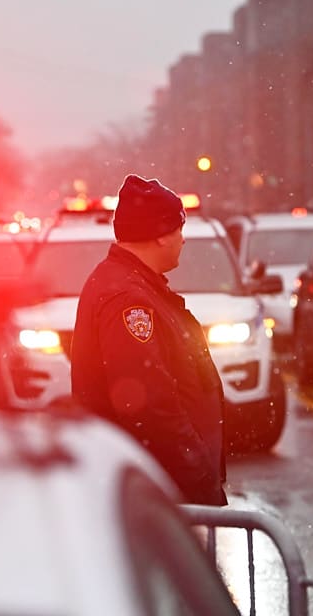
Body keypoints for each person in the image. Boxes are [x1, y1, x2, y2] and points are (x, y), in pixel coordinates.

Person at [70, 174, 227, 506]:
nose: (183, 240)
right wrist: (197, 477)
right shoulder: (128, 298)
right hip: (158, 487)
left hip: (154, 481)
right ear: (159, 235)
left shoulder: (133, 285)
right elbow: (150, 406)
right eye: (179, 229)